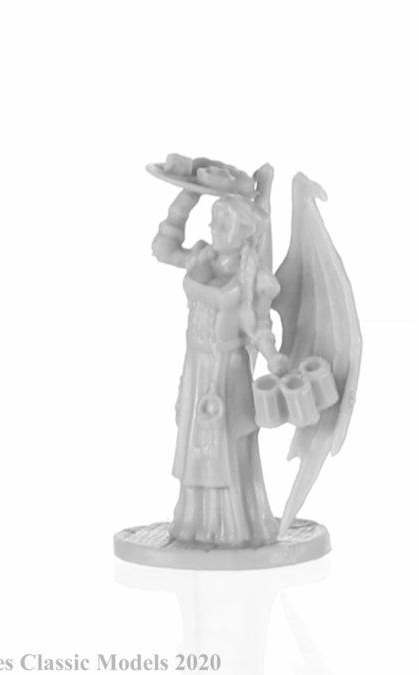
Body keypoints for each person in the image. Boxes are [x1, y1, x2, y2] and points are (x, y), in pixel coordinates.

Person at [152, 181, 288, 547]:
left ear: (245, 233)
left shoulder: (254, 278)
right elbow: (162, 249)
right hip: (197, 366)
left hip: (228, 370)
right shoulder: (202, 257)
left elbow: (259, 326)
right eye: (215, 221)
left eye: (225, 224)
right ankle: (194, 522)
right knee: (195, 449)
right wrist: (188, 195)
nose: (215, 229)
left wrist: (273, 356)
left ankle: (235, 523)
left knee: (228, 447)